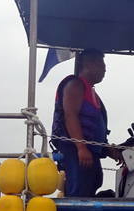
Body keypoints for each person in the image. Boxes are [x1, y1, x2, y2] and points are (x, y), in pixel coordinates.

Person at [50, 48, 117, 197]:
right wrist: (81, 147)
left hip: (91, 151)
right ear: (89, 64)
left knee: (94, 181)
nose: (104, 70)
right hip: (75, 150)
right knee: (79, 188)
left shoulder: (92, 92)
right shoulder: (75, 85)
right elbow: (70, 115)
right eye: (101, 65)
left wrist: (108, 150)